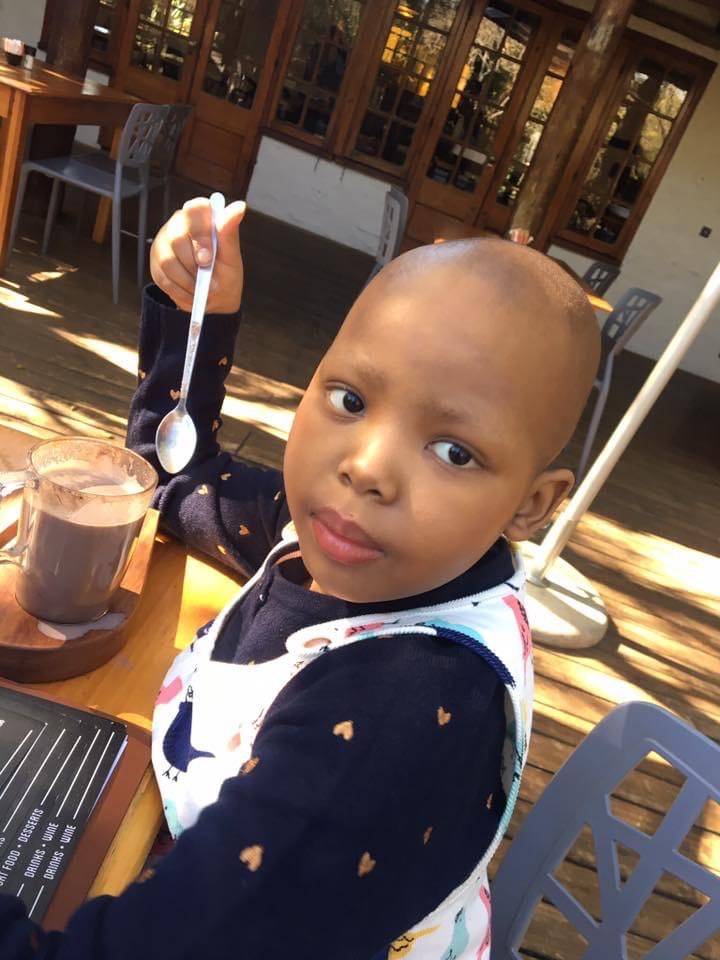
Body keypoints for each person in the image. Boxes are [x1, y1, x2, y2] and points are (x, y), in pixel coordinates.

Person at [0, 199, 599, 959]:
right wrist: (197, 318)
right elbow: (178, 480)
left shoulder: (396, 718)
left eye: (455, 452)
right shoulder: (335, 535)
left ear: (532, 505)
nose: (367, 466)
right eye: (351, 400)